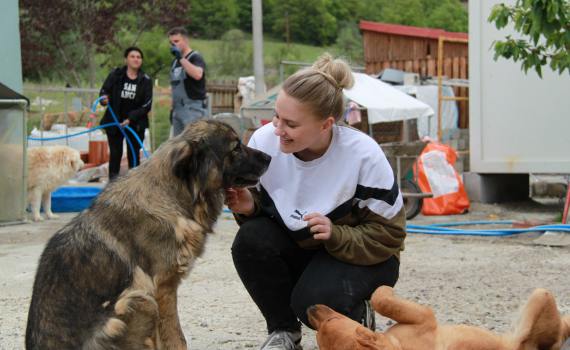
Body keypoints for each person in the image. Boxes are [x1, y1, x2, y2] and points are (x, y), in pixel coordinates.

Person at [226, 53, 406, 350]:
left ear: (326, 124)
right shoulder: (263, 143)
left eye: (291, 124)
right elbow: (269, 215)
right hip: (307, 248)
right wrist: (249, 207)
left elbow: (390, 237)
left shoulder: (362, 155)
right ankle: (283, 331)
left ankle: (357, 316)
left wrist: (336, 233)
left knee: (313, 303)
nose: (277, 129)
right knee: (250, 240)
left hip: (364, 257)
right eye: (276, 116)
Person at [99, 46, 152, 181]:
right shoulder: (115, 75)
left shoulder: (146, 80)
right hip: (115, 121)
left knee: (133, 156)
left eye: (139, 57)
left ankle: (133, 187)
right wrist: (104, 99)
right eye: (132, 56)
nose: (136, 59)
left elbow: (147, 105)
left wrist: (130, 118)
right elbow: (104, 91)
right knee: (115, 155)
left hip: (135, 124)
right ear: (126, 59)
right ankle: (112, 186)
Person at [167, 26, 208, 136]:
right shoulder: (175, 62)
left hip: (193, 109)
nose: (173, 45)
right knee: (178, 147)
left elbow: (198, 74)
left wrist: (181, 58)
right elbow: (174, 87)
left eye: (176, 41)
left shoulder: (195, 57)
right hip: (178, 109)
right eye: (171, 43)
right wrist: (172, 109)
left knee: (194, 144)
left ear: (186, 40)